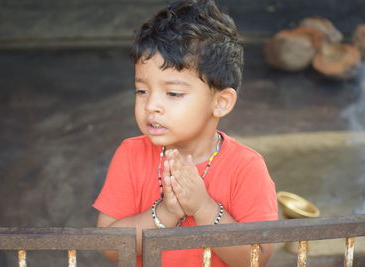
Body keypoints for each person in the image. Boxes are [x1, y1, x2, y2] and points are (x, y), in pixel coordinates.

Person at [93, 0, 278, 266]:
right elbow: (109, 247)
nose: (151, 106)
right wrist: (165, 213)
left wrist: (203, 207)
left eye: (174, 93)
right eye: (142, 90)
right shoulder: (131, 155)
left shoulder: (246, 167)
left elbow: (254, 259)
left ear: (221, 102)